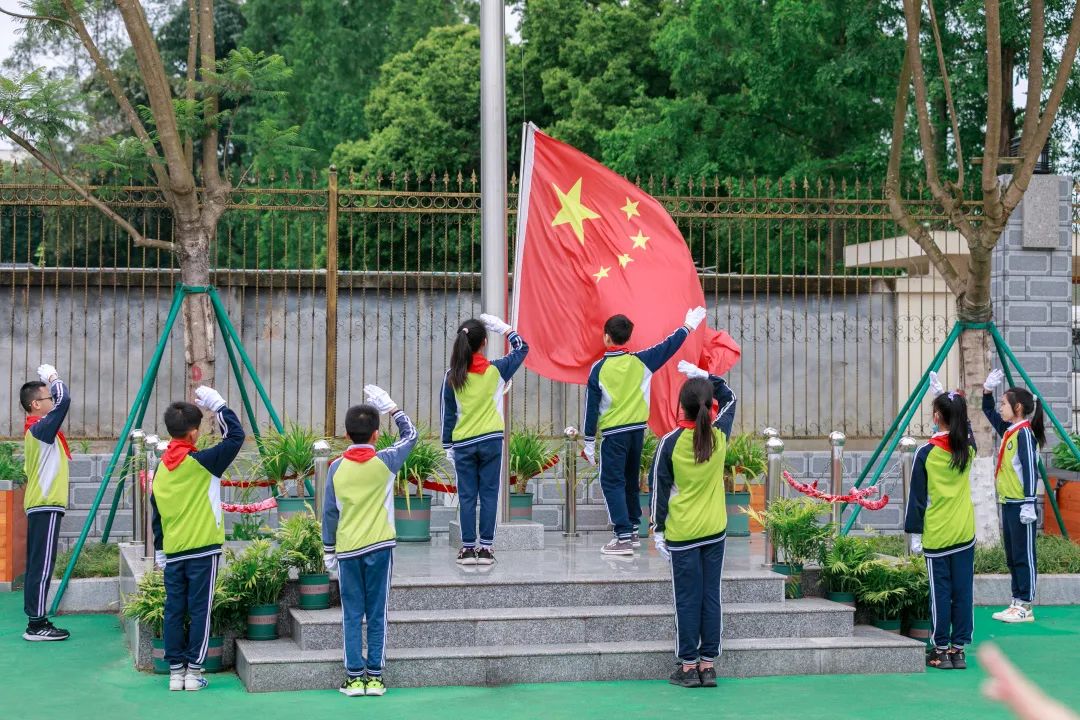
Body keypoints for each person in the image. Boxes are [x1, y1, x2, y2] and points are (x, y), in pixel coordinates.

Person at [583, 306, 707, 556]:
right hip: (637, 432)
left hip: (613, 435)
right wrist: (689, 326)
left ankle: (622, 536)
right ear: (628, 337)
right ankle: (632, 528)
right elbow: (669, 345)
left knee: (611, 481)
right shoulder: (642, 362)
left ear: (606, 336)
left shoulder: (598, 369)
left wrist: (587, 441)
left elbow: (591, 407)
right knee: (629, 480)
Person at [323, 385, 418, 697]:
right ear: (376, 434)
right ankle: (375, 677)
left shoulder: (335, 468)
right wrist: (393, 408)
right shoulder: (386, 461)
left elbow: (329, 514)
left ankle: (353, 679)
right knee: (377, 612)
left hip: (348, 550)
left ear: (347, 436)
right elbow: (411, 436)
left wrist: (328, 551)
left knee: (352, 614)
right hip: (381, 548)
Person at [151, 386, 245, 691]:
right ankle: (193, 672)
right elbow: (235, 437)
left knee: (174, 609)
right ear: (193, 433)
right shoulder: (204, 462)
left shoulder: (159, 470)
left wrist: (159, 550)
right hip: (203, 549)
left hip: (174, 550)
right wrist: (219, 406)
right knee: (200, 609)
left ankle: (175, 673)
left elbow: (157, 513)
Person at [650, 360, 736, 688]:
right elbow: (731, 398)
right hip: (715, 531)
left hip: (683, 534)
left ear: (680, 407)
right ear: (708, 406)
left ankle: (687, 667)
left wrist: (657, 531)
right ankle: (708, 665)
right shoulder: (720, 435)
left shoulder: (670, 443)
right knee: (710, 596)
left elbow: (658, 490)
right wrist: (708, 377)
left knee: (687, 598)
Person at [441, 314, 528, 565]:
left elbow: (447, 414)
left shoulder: (452, 376)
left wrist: (448, 445)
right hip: (491, 441)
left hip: (463, 443)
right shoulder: (497, 370)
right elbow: (523, 348)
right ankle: (486, 549)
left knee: (467, 496)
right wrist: (507, 329)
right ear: (484, 342)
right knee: (489, 495)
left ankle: (468, 549)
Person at [905, 377, 976, 670]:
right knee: (963, 592)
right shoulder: (967, 451)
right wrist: (951, 403)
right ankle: (959, 651)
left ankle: (940, 651)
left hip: (937, 535)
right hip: (964, 531)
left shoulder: (927, 453)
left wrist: (914, 533)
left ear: (936, 417)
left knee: (941, 594)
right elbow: (967, 431)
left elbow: (917, 498)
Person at [982, 369, 1044, 623]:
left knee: (1023, 556)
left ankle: (1026, 605)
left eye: (1004, 404)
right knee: (1011, 555)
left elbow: (1030, 470)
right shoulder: (1010, 431)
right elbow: (989, 415)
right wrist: (986, 392)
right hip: (1008, 503)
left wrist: (1030, 502)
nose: (1001, 408)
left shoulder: (1025, 435)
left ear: (1017, 407)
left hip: (1022, 505)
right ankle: (1016, 600)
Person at [20, 363, 72, 642]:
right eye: (47, 398)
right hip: (44, 504)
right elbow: (65, 400)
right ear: (36, 404)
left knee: (40, 563)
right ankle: (36, 624)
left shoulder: (37, 430)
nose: (52, 401)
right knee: (41, 564)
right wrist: (53, 377)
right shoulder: (40, 428)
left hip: (42, 504)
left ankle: (37, 619)